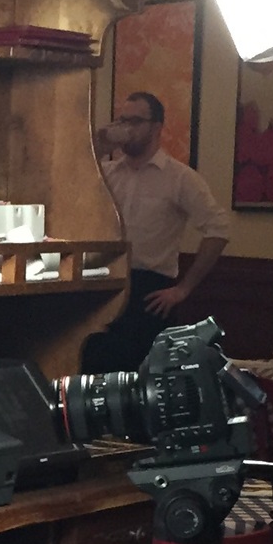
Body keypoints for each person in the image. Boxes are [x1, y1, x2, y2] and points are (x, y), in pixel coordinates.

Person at [85, 90, 230, 372]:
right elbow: (70, 191)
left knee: (140, 380)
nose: (126, 128)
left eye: (135, 121)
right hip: (103, 282)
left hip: (148, 291)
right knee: (95, 368)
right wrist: (97, 148)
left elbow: (219, 228)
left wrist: (183, 289)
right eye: (122, 120)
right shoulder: (107, 173)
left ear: (156, 127)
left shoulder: (179, 178)